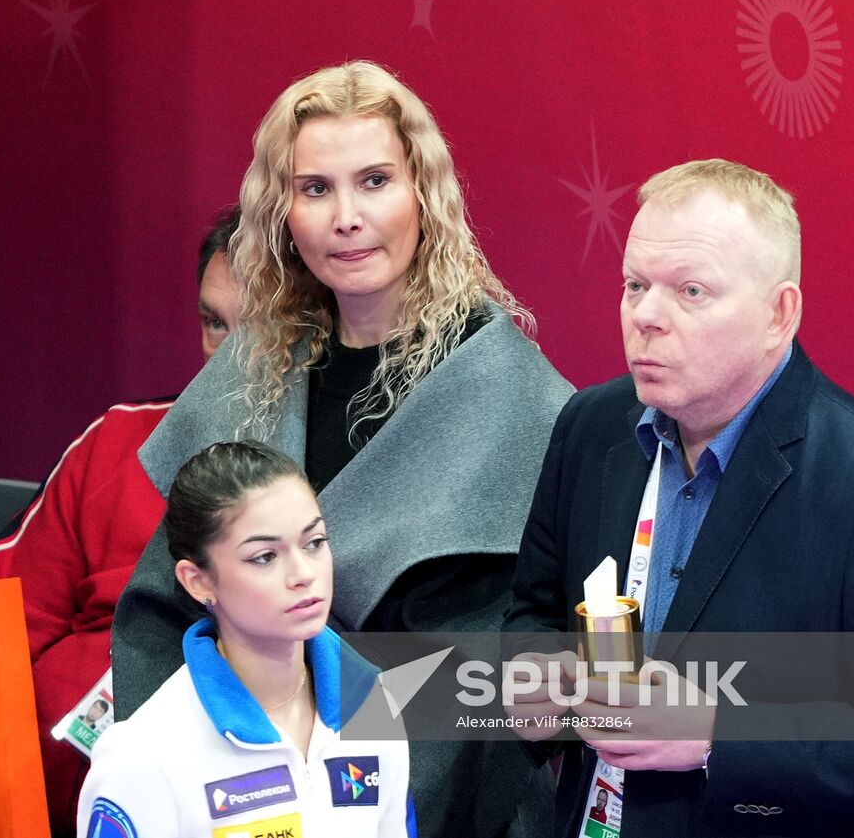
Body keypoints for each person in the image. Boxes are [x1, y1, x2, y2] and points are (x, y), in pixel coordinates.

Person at [113, 61, 574, 837]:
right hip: (232, 784)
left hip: (427, 797)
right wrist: (178, 772)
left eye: (375, 181)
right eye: (315, 188)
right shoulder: (250, 368)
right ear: (282, 211)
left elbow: (480, 675)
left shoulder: (510, 394)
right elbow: (162, 607)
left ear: (423, 193)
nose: (346, 217)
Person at [501, 159, 854, 837]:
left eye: (690, 290)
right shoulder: (591, 428)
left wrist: (714, 735)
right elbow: (533, 609)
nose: (645, 315)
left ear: (778, 313)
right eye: (634, 284)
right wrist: (534, 678)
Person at [0, 207, 241, 833]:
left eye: (259, 329)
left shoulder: (346, 474)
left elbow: (418, 693)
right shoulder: (118, 441)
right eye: (214, 323)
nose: (228, 358)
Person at [78, 441, 414, 837]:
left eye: (315, 543)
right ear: (198, 581)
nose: (303, 573)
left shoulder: (374, 704)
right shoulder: (144, 755)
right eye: (264, 557)